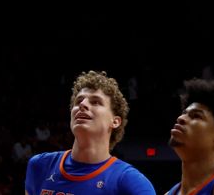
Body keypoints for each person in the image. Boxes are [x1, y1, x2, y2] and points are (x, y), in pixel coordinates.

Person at [25, 70, 154, 195]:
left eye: (95, 102)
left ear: (115, 121)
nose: (83, 104)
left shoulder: (130, 181)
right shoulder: (39, 165)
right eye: (78, 101)